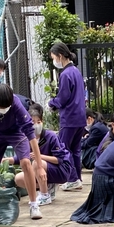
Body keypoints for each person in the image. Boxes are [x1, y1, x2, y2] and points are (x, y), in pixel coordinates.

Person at [0, 84, 46, 219]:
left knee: (25, 162)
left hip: (16, 132)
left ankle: (34, 205)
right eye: (1, 107)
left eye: (7, 106)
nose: (4, 109)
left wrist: (39, 167)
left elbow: (31, 136)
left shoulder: (16, 104)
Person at [5, 105, 73, 205]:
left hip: (61, 170)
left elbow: (59, 160)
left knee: (37, 163)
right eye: (32, 122)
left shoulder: (51, 136)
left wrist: (39, 156)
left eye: (38, 122)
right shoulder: (26, 139)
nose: (36, 125)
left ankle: (44, 195)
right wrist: (5, 160)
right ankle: (49, 186)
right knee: (18, 179)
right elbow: (23, 157)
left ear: (42, 122)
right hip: (44, 169)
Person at [48, 42, 86, 191]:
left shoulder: (65, 74)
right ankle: (77, 178)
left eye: (53, 58)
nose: (54, 61)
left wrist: (51, 103)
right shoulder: (76, 71)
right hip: (80, 117)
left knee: (64, 149)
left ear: (60, 56)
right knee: (75, 150)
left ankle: (71, 178)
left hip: (69, 118)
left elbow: (63, 97)